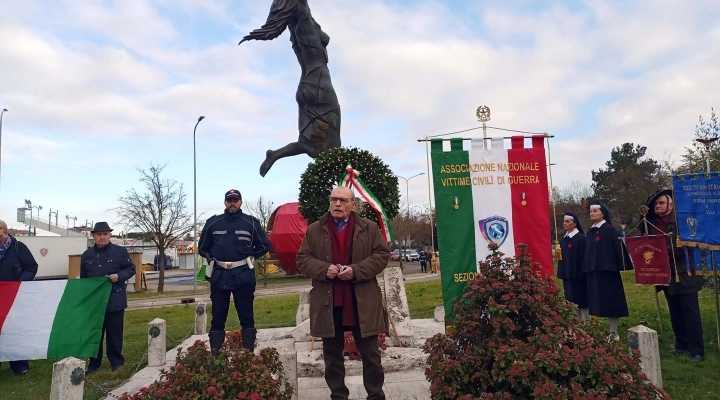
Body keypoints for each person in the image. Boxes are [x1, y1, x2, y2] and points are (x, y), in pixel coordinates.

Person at [297, 186, 390, 400]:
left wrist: (356, 270)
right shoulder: (314, 229)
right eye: (334, 200)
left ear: (353, 204)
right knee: (332, 356)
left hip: (363, 302)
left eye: (342, 200)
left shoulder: (369, 227)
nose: (337, 204)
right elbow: (302, 258)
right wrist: (323, 269)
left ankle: (375, 396)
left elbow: (381, 255)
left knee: (371, 355)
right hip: (329, 303)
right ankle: (338, 396)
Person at [240, 0, 342, 177]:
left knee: (310, 141)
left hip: (307, 86)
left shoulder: (296, 30)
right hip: (320, 87)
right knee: (333, 144)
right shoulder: (303, 22)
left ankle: (275, 154)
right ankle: (328, 189)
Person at [198, 189, 270, 354]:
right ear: (225, 202)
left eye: (235, 200)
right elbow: (202, 247)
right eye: (229, 200)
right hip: (220, 277)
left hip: (243, 276)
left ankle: (248, 357)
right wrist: (210, 258)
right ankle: (215, 357)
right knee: (217, 318)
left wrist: (251, 257)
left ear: (240, 202)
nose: (232, 203)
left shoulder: (251, 223)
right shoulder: (212, 223)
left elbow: (264, 245)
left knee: (247, 317)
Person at [641, 189, 705, 362]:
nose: (658, 206)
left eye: (661, 203)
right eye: (655, 204)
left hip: (685, 272)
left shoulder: (682, 220)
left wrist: (659, 251)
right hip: (666, 274)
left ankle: (697, 350)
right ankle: (681, 344)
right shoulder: (653, 222)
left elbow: (686, 244)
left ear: (671, 203)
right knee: (675, 310)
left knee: (690, 312)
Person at [81, 222, 136, 374]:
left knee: (114, 334)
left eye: (105, 234)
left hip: (114, 300)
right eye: (99, 234)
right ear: (93, 236)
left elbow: (131, 268)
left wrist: (119, 276)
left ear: (110, 235)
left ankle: (116, 362)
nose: (102, 237)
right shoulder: (87, 255)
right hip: (94, 303)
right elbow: (84, 280)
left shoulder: (120, 252)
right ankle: (94, 363)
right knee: (94, 334)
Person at [584, 201, 630, 341]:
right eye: (591, 211)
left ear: (603, 213)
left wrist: (618, 265)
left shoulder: (609, 229)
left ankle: (613, 332)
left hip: (608, 271)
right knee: (597, 302)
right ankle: (597, 329)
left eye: (596, 211)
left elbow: (617, 249)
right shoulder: (591, 231)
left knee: (612, 302)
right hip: (594, 271)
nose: (592, 213)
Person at [0, 220, 38, 375]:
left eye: (0, 236)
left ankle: (19, 364)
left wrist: (19, 284)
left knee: (14, 330)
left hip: (15, 295)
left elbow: (32, 267)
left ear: (6, 232)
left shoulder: (18, 247)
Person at [556, 212, 589, 322]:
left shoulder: (581, 239)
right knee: (571, 300)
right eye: (564, 221)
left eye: (567, 221)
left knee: (582, 300)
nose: (564, 223)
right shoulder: (563, 240)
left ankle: (587, 322)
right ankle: (578, 321)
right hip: (567, 274)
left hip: (579, 275)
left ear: (574, 223)